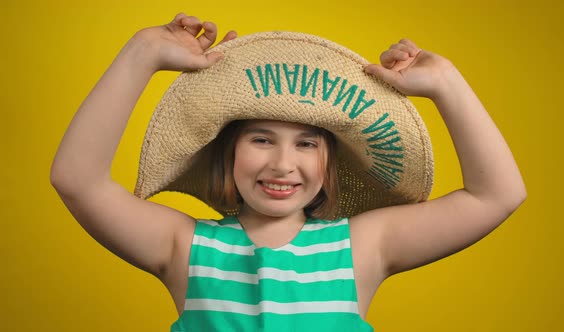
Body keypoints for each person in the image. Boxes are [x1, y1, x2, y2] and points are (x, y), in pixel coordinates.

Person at [50, 12, 526, 331]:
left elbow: (496, 195)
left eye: (307, 143)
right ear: (228, 153)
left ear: (330, 162)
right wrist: (143, 53)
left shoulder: (362, 246)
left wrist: (446, 83)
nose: (282, 163)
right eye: (260, 139)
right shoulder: (185, 247)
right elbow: (77, 180)